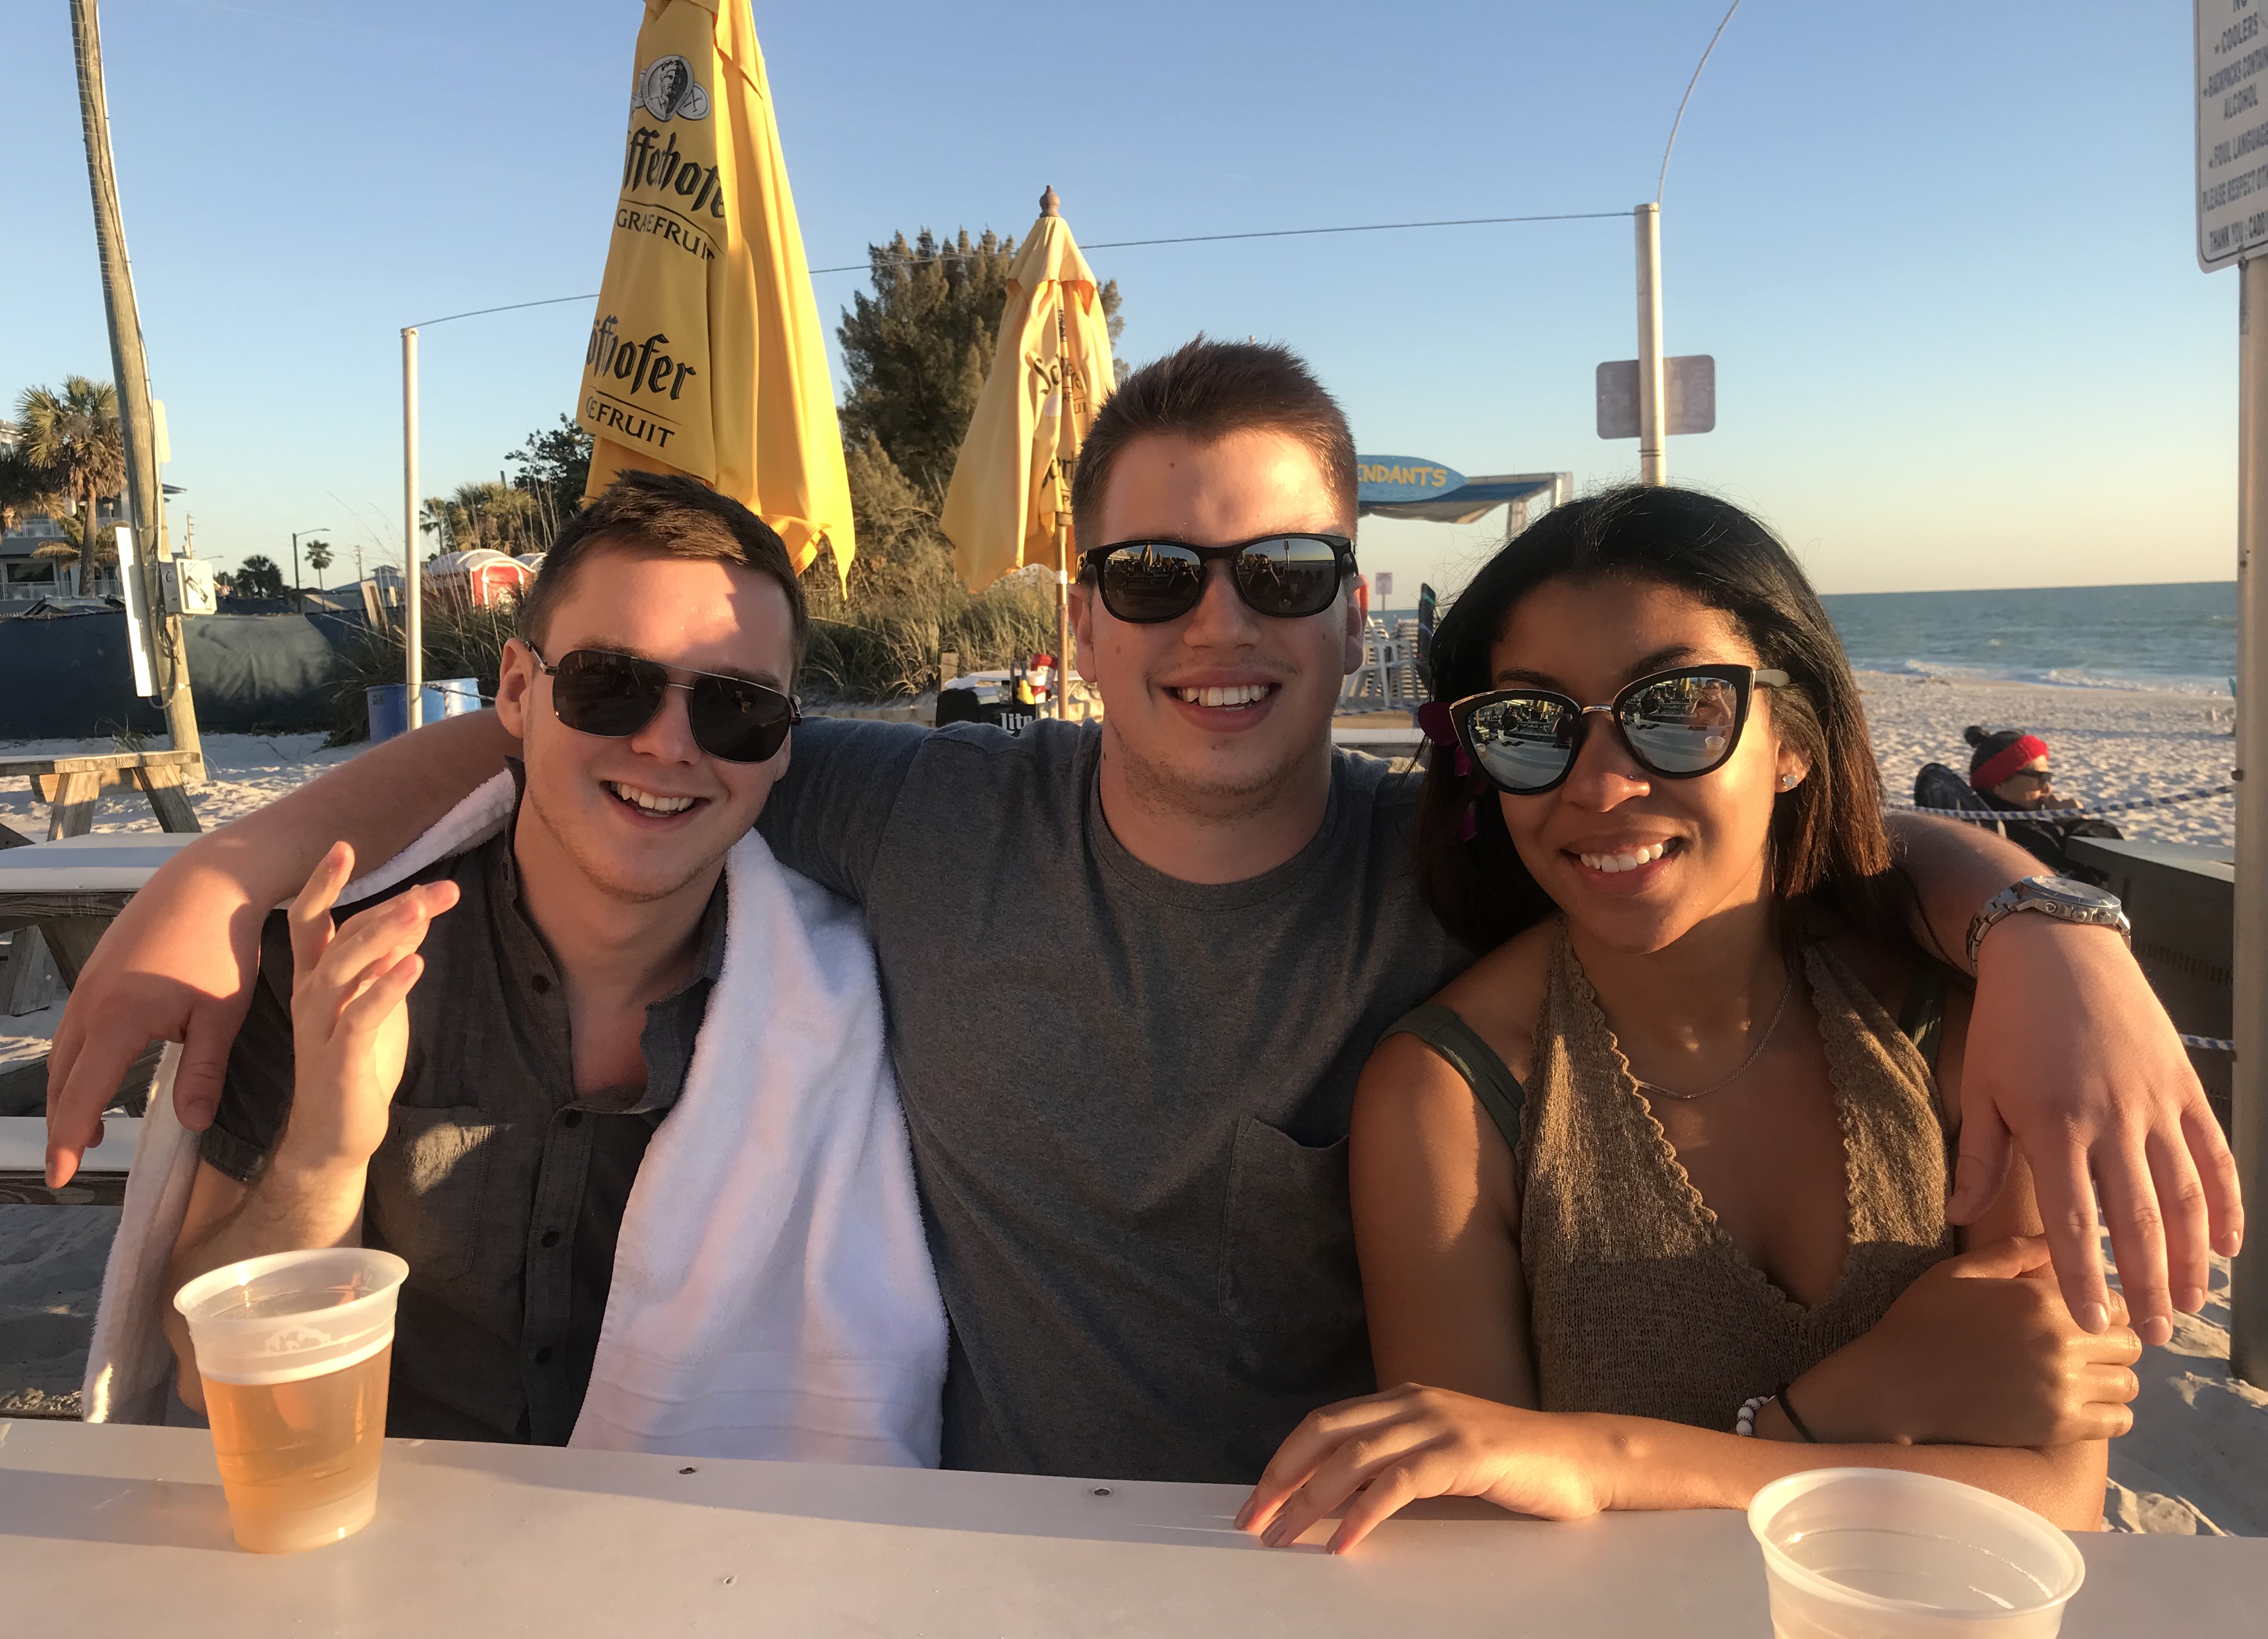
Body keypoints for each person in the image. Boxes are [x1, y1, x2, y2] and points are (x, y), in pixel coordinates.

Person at [49, 339, 2236, 1483]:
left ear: (1352, 611)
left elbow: (1748, 821)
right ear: (1078, 619)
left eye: (1281, 574)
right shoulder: (917, 806)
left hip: (1342, 1579)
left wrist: (2049, 925)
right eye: (1154, 573)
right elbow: (616, 726)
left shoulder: (1462, 849)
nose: (1219, 624)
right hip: (986, 1562)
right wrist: (215, 873)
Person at [1239, 490, 2140, 1551]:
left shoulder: (1958, 1034)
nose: (1600, 784)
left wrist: (1600, 1462)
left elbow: (2057, 1500)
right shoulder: (1452, 1093)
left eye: (1676, 709)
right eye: (1531, 725)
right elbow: (1470, 1529)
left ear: (1793, 739)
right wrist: (1844, 1405)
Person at [159, 473, 920, 1448]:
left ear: (781, 748)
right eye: (611, 683)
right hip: (404, 1522)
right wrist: (323, 1154)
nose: (668, 745)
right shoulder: (335, 964)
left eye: (738, 708)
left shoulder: (853, 1006)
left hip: (713, 1530)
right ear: (518, 690)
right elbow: (204, 1372)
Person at [1959, 725, 2121, 869]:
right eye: (2041, 778)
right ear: (1999, 783)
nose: (2047, 788)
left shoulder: (1988, 821)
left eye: (2048, 778)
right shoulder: (2025, 838)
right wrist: (2079, 824)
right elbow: (2114, 872)